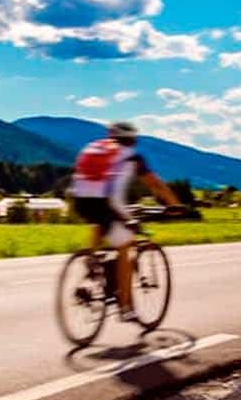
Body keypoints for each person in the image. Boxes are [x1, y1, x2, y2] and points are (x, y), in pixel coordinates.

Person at [67, 121, 187, 322]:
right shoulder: (131, 156)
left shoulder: (96, 148)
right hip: (105, 203)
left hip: (79, 200)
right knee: (124, 245)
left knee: (102, 223)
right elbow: (155, 184)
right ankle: (125, 306)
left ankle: (91, 262)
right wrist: (175, 205)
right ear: (132, 139)